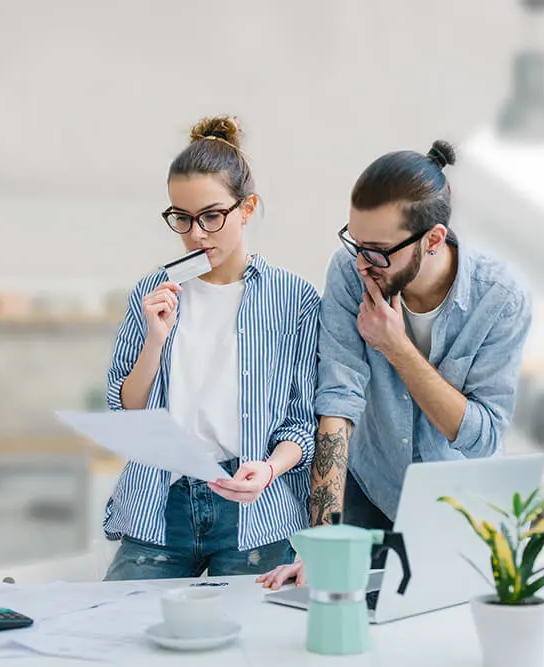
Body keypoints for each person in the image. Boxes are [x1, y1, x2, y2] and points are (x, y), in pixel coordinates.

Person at [257, 139, 533, 589]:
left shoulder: (499, 298)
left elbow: (481, 437)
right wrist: (321, 542)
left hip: (454, 502)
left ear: (433, 240)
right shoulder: (351, 271)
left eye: (378, 250)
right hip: (371, 485)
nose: (363, 262)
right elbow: (337, 404)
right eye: (355, 242)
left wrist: (396, 347)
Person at [101, 115, 320, 581]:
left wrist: (269, 468)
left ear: (247, 208)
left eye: (212, 216)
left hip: (253, 509)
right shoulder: (153, 291)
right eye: (181, 217)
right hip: (159, 502)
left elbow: (302, 423)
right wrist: (155, 340)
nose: (196, 234)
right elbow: (127, 410)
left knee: (255, 646)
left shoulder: (294, 299)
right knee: (115, 636)